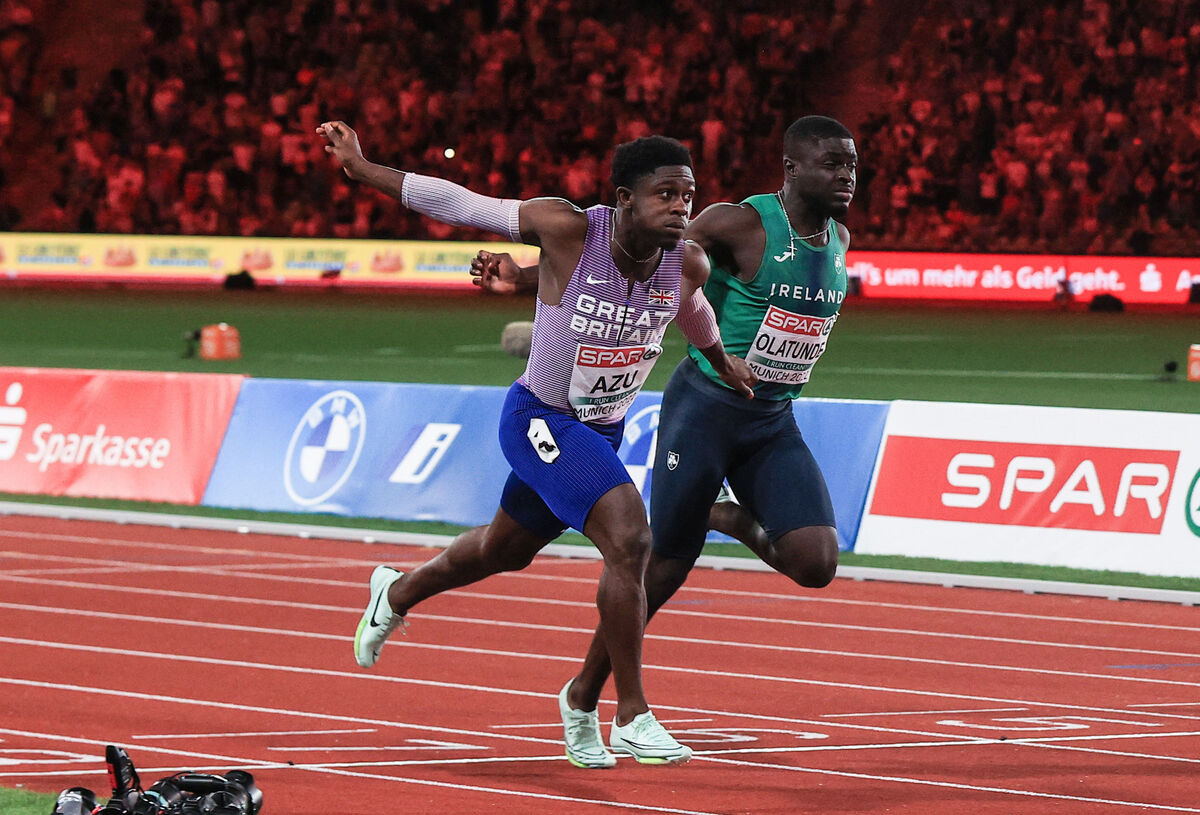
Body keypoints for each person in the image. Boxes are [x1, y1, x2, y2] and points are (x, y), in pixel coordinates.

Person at [316, 120, 757, 768]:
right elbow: (462, 202)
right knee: (631, 538)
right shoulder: (570, 229)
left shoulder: (685, 261)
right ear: (625, 198)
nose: (680, 208)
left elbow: (690, 309)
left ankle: (398, 591)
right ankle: (629, 713)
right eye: (665, 194)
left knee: (502, 550)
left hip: (599, 429)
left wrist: (722, 359)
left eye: (687, 196)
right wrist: (363, 167)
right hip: (539, 419)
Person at [473, 114, 857, 744]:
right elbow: (648, 255)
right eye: (832, 164)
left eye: (851, 165)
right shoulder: (738, 222)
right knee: (657, 567)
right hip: (703, 412)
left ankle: (719, 515)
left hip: (770, 418)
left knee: (815, 563)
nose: (846, 176)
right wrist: (528, 285)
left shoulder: (839, 238)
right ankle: (590, 700)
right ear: (791, 169)